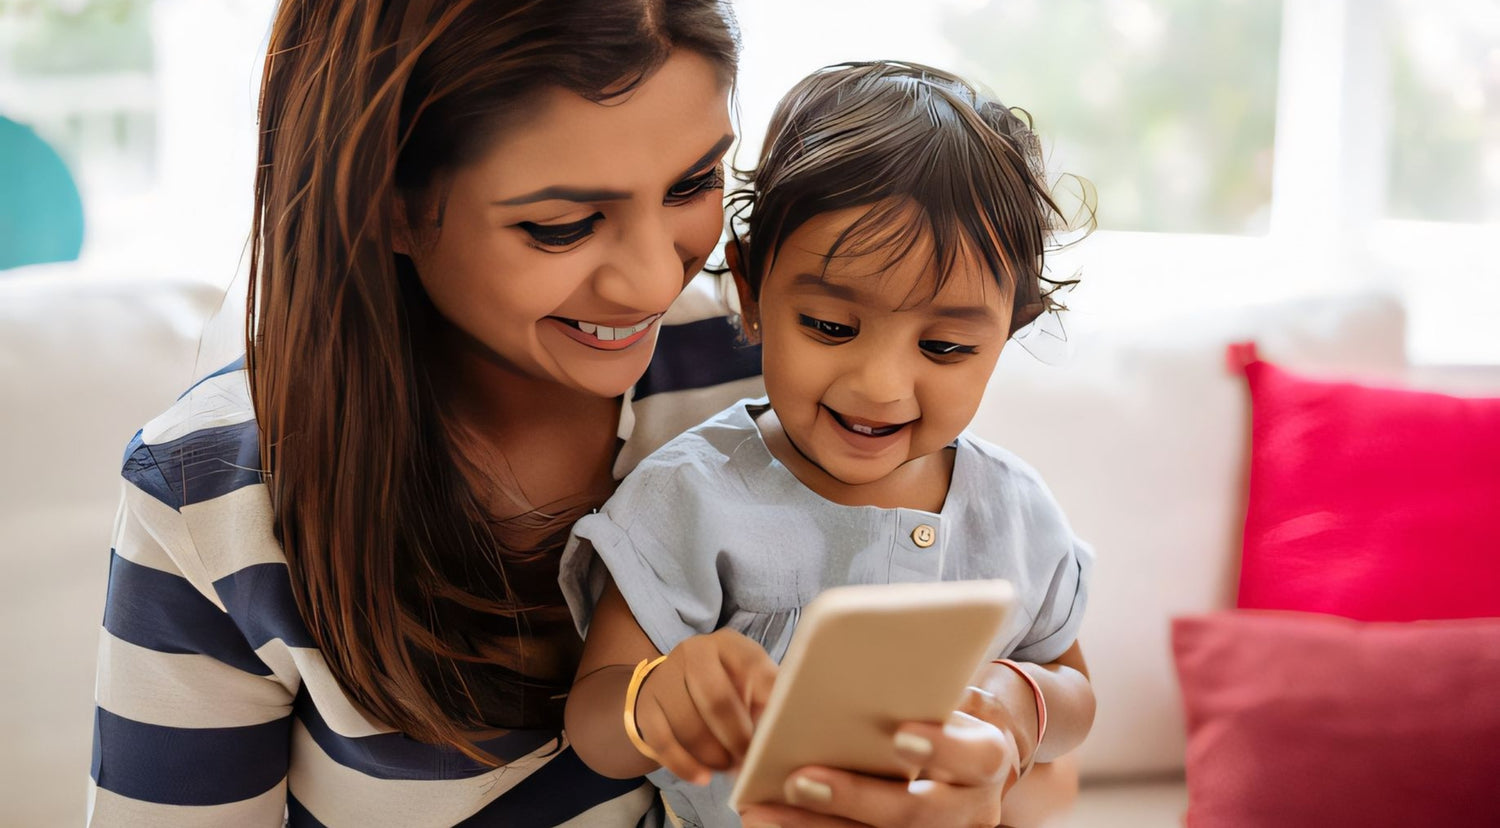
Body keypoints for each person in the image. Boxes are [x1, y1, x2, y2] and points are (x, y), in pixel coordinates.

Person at [90, 2, 1058, 825]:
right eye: (561, 225)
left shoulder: (793, 364)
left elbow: (1032, 751)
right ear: (388, 201)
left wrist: (988, 768)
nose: (653, 281)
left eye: (693, 184)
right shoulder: (211, 495)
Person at [561, 61, 1097, 828]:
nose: (880, 386)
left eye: (945, 347)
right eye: (831, 327)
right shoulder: (691, 494)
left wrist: (1024, 703)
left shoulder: (1016, 512)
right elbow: (593, 725)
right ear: (750, 294)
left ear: (1009, 331)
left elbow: (1077, 698)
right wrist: (655, 699)